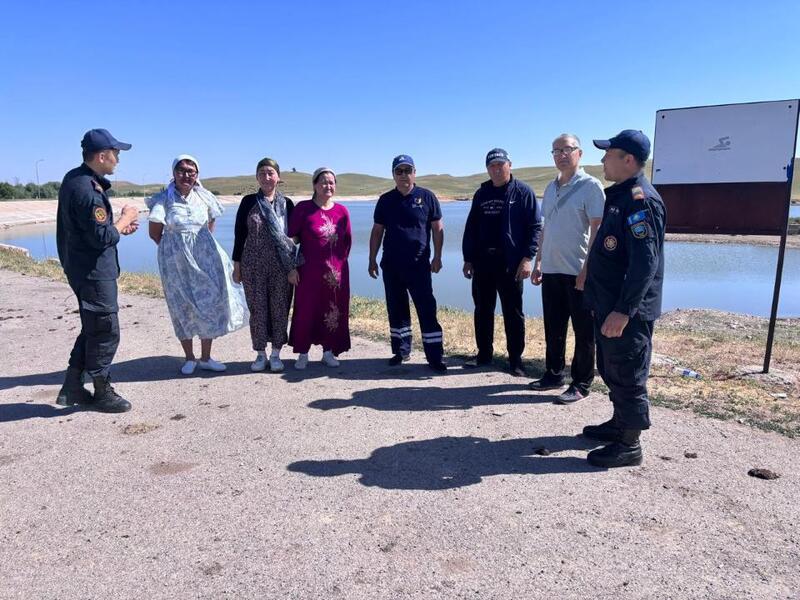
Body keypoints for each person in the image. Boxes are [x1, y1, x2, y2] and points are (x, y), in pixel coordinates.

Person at [582, 130, 666, 468]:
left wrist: (623, 310)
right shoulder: (619, 197)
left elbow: (645, 264)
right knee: (612, 367)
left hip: (625, 310)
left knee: (629, 372)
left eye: (609, 154)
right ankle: (620, 424)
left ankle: (630, 444)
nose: (603, 160)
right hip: (609, 303)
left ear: (628, 159)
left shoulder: (639, 200)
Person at [55, 128, 139, 412]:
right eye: (115, 153)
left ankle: (73, 387)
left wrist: (118, 228)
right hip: (92, 273)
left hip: (83, 268)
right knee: (105, 330)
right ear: (102, 156)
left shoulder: (75, 179)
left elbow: (95, 232)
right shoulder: (88, 190)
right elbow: (100, 237)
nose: (118, 158)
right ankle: (102, 391)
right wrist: (125, 218)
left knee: (92, 328)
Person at [147, 155, 247, 375]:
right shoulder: (164, 199)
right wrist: (176, 249)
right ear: (174, 173)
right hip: (175, 264)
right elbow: (155, 233)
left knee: (208, 303)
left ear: (197, 175)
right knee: (181, 306)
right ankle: (189, 357)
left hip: (205, 260)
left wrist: (199, 249)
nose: (186, 175)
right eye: (182, 170)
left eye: (191, 171)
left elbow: (208, 227)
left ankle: (206, 356)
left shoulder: (204, 197)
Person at [529, 135, 605, 403]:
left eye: (567, 150)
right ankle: (553, 374)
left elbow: (597, 228)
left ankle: (582, 383)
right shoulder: (550, 188)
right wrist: (538, 261)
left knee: (584, 330)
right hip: (551, 268)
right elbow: (546, 227)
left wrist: (588, 269)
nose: (561, 155)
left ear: (579, 153)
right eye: (556, 150)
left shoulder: (591, 187)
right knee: (554, 326)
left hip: (577, 270)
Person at [462, 148, 542, 377]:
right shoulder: (482, 193)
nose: (497, 169)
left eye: (500, 164)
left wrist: (528, 258)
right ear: (488, 169)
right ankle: (484, 354)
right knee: (482, 310)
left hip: (511, 263)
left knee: (513, 312)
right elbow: (471, 227)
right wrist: (468, 258)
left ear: (509, 165)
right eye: (492, 166)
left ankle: (516, 360)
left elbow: (535, 227)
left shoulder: (523, 192)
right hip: (483, 261)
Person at [368, 155, 446, 373]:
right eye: (399, 171)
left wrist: (437, 256)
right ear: (393, 174)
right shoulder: (385, 200)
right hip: (391, 265)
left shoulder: (427, 197)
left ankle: (435, 356)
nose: (403, 175)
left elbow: (437, 229)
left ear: (415, 172)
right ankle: (401, 351)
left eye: (407, 170)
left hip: (419, 265)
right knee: (397, 309)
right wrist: (371, 259)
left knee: (427, 309)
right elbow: (377, 232)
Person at [232, 158, 299, 373]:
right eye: (262, 173)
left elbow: (295, 236)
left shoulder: (287, 204)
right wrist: (237, 265)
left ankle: (277, 353)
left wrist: (293, 266)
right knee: (258, 309)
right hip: (253, 263)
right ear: (257, 177)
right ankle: (260, 353)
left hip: (281, 265)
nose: (267, 177)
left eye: (270, 173)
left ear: (278, 177)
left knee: (280, 308)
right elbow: (239, 235)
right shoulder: (248, 202)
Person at [287, 167, 351, 369]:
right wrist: (292, 267)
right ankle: (303, 353)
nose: (328, 185)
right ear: (314, 185)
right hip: (308, 273)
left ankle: (328, 351)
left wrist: (338, 267)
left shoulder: (342, 211)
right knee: (306, 311)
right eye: (323, 181)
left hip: (336, 276)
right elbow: (291, 240)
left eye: (331, 182)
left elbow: (347, 242)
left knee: (332, 311)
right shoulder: (303, 208)